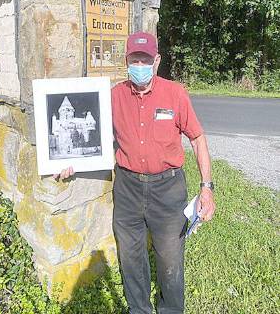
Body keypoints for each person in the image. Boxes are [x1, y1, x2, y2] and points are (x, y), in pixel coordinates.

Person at [55, 31, 215, 314]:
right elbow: (93, 139)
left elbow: (198, 138)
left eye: (145, 59)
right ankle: (138, 309)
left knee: (170, 260)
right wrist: (69, 160)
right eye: (134, 59)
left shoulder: (175, 94)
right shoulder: (113, 97)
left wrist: (207, 188)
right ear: (126, 61)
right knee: (130, 257)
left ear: (156, 61)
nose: (139, 65)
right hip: (128, 188)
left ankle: (170, 310)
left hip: (168, 189)